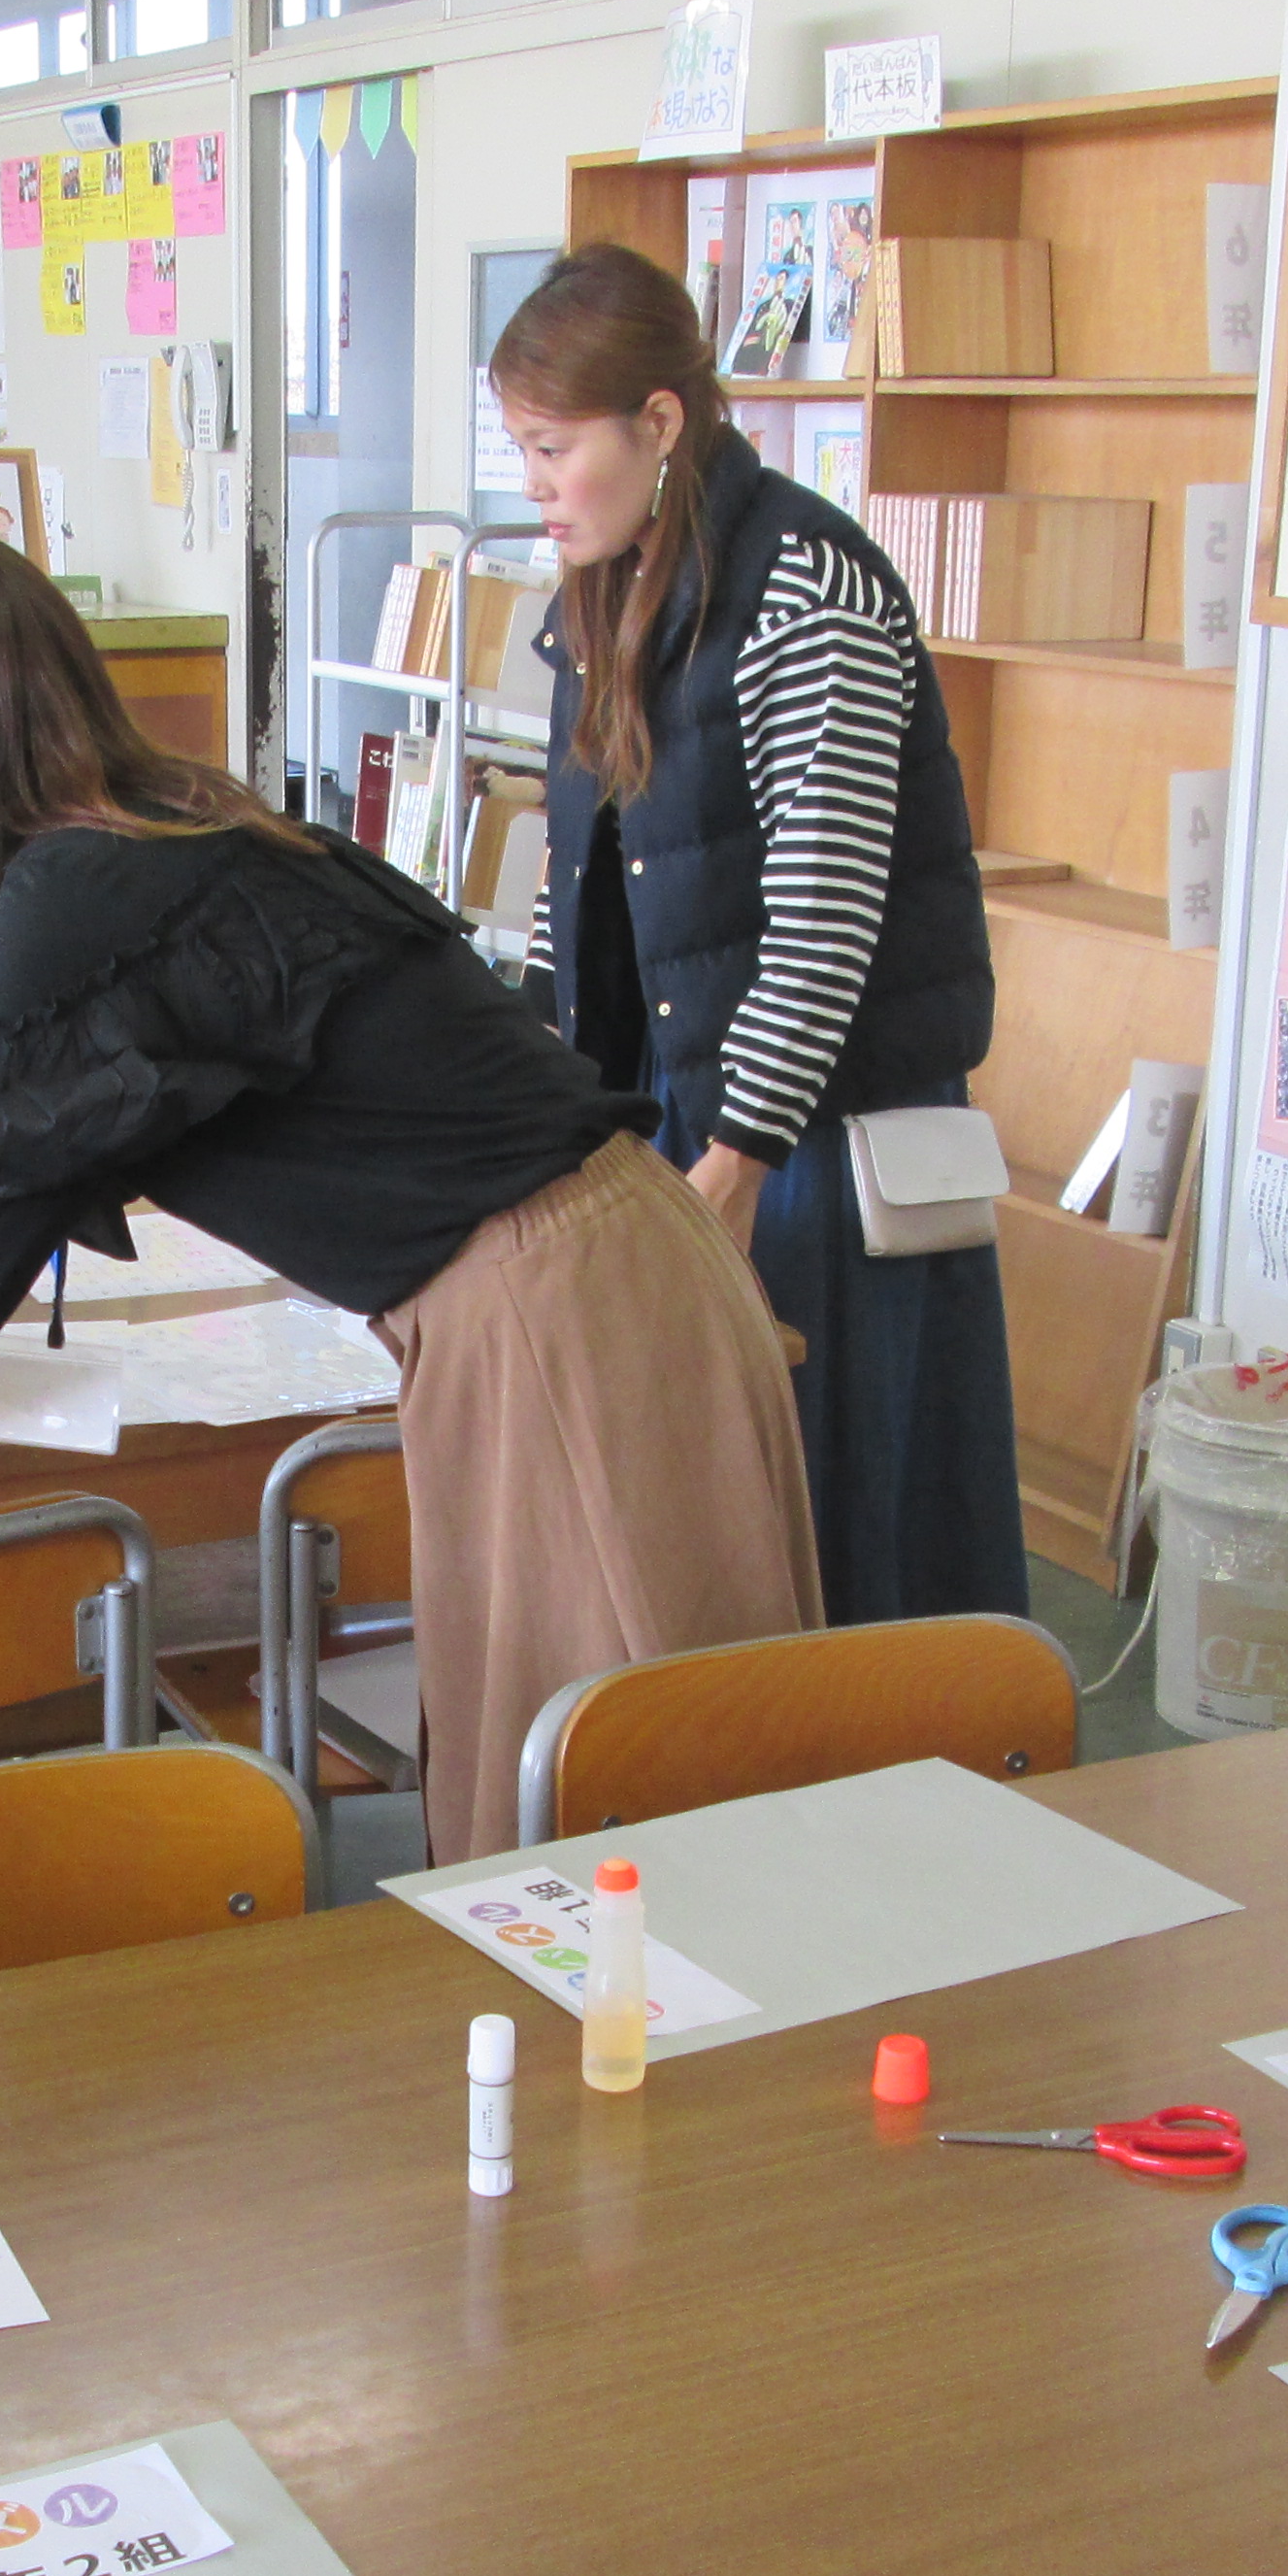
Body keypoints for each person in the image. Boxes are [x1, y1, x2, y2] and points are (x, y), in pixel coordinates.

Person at [0, 509, 821, 1862]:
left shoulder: (76, 900)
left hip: (558, 1309)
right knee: (564, 1807)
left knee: (625, 1824)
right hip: (565, 1281)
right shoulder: (143, 830)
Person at [492, 241, 1026, 1627]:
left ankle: (875, 1758)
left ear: (660, 423)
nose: (533, 484)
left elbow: (825, 920)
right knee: (703, 1514)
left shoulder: (806, 588)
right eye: (522, 450)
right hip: (687, 1108)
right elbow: (578, 872)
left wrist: (737, 1157)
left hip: (812, 1138)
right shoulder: (605, 590)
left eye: (554, 449)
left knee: (838, 1514)